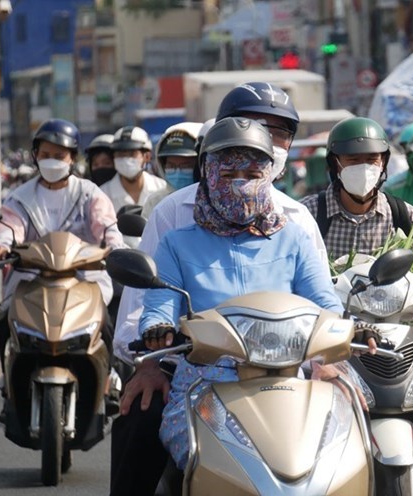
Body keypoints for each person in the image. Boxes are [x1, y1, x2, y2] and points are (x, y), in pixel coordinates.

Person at [109, 82, 327, 496]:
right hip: (193, 374)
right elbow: (151, 304)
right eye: (229, 172)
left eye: (253, 171)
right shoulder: (175, 226)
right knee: (138, 421)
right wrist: (152, 352)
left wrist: (337, 349)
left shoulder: (296, 228)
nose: (241, 183)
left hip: (286, 372)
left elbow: (325, 304)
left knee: (353, 429)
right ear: (208, 167)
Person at [300, 116, 413, 467]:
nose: (363, 168)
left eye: (371, 160)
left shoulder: (402, 214)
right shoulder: (308, 215)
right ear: (335, 164)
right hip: (333, 340)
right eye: (353, 161)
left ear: (383, 165)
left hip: (400, 335)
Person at [0, 118, 124, 413]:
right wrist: (2, 245)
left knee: (106, 324)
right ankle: (9, 386)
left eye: (59, 156)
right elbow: (10, 228)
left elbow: (108, 228)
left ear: (72, 158)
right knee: (5, 323)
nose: (52, 161)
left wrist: (115, 247)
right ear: (35, 155)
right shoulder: (19, 197)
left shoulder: (90, 194)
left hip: (84, 277)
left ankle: (109, 380)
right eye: (46, 154)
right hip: (32, 278)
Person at [100, 126, 168, 215]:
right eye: (120, 154)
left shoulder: (162, 188)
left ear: (147, 156)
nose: (125, 160)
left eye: (132, 154)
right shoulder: (103, 195)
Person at [141, 121, 202, 218]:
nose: (177, 172)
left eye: (185, 166)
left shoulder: (213, 201)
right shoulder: (156, 201)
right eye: (171, 166)